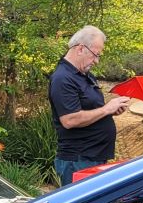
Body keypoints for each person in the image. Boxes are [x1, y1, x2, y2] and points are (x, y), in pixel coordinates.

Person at [49, 26, 131, 186]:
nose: (96, 61)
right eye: (95, 55)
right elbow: (70, 120)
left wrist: (110, 112)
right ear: (80, 49)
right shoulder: (63, 78)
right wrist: (106, 109)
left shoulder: (84, 75)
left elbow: (90, 110)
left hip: (94, 157)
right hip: (78, 161)